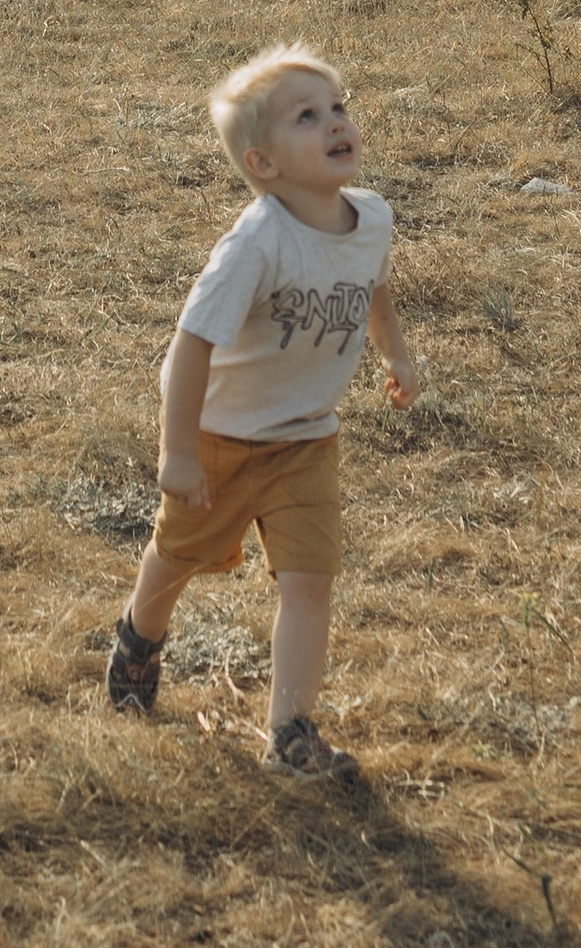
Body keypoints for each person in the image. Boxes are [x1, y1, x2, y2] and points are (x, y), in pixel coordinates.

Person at [103, 47, 416, 777]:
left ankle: (292, 731)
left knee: (310, 579)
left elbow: (374, 285)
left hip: (307, 439)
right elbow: (191, 345)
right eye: (306, 117)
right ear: (264, 163)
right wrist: (177, 451)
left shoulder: (370, 218)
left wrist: (395, 355)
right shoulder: (256, 243)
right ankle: (139, 637)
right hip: (223, 437)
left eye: (337, 105)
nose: (335, 122)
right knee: (181, 556)